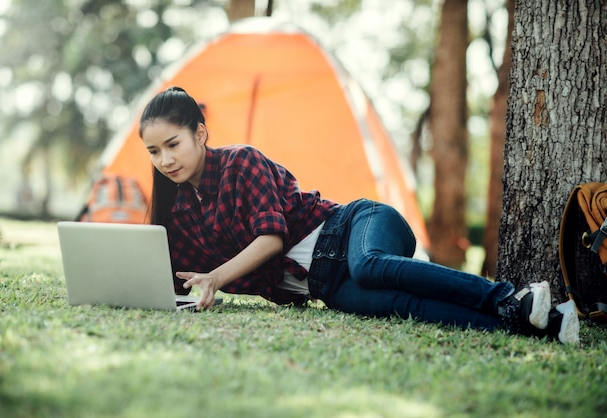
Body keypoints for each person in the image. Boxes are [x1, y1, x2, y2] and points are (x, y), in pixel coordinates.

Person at [138, 86, 580, 345]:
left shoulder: (240, 162)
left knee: (369, 265)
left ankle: (508, 296)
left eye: (173, 144)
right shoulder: (182, 214)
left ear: (199, 133)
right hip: (327, 285)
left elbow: (271, 239)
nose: (165, 159)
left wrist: (216, 277)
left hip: (354, 225)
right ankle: (543, 322)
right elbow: (170, 272)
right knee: (399, 307)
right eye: (154, 151)